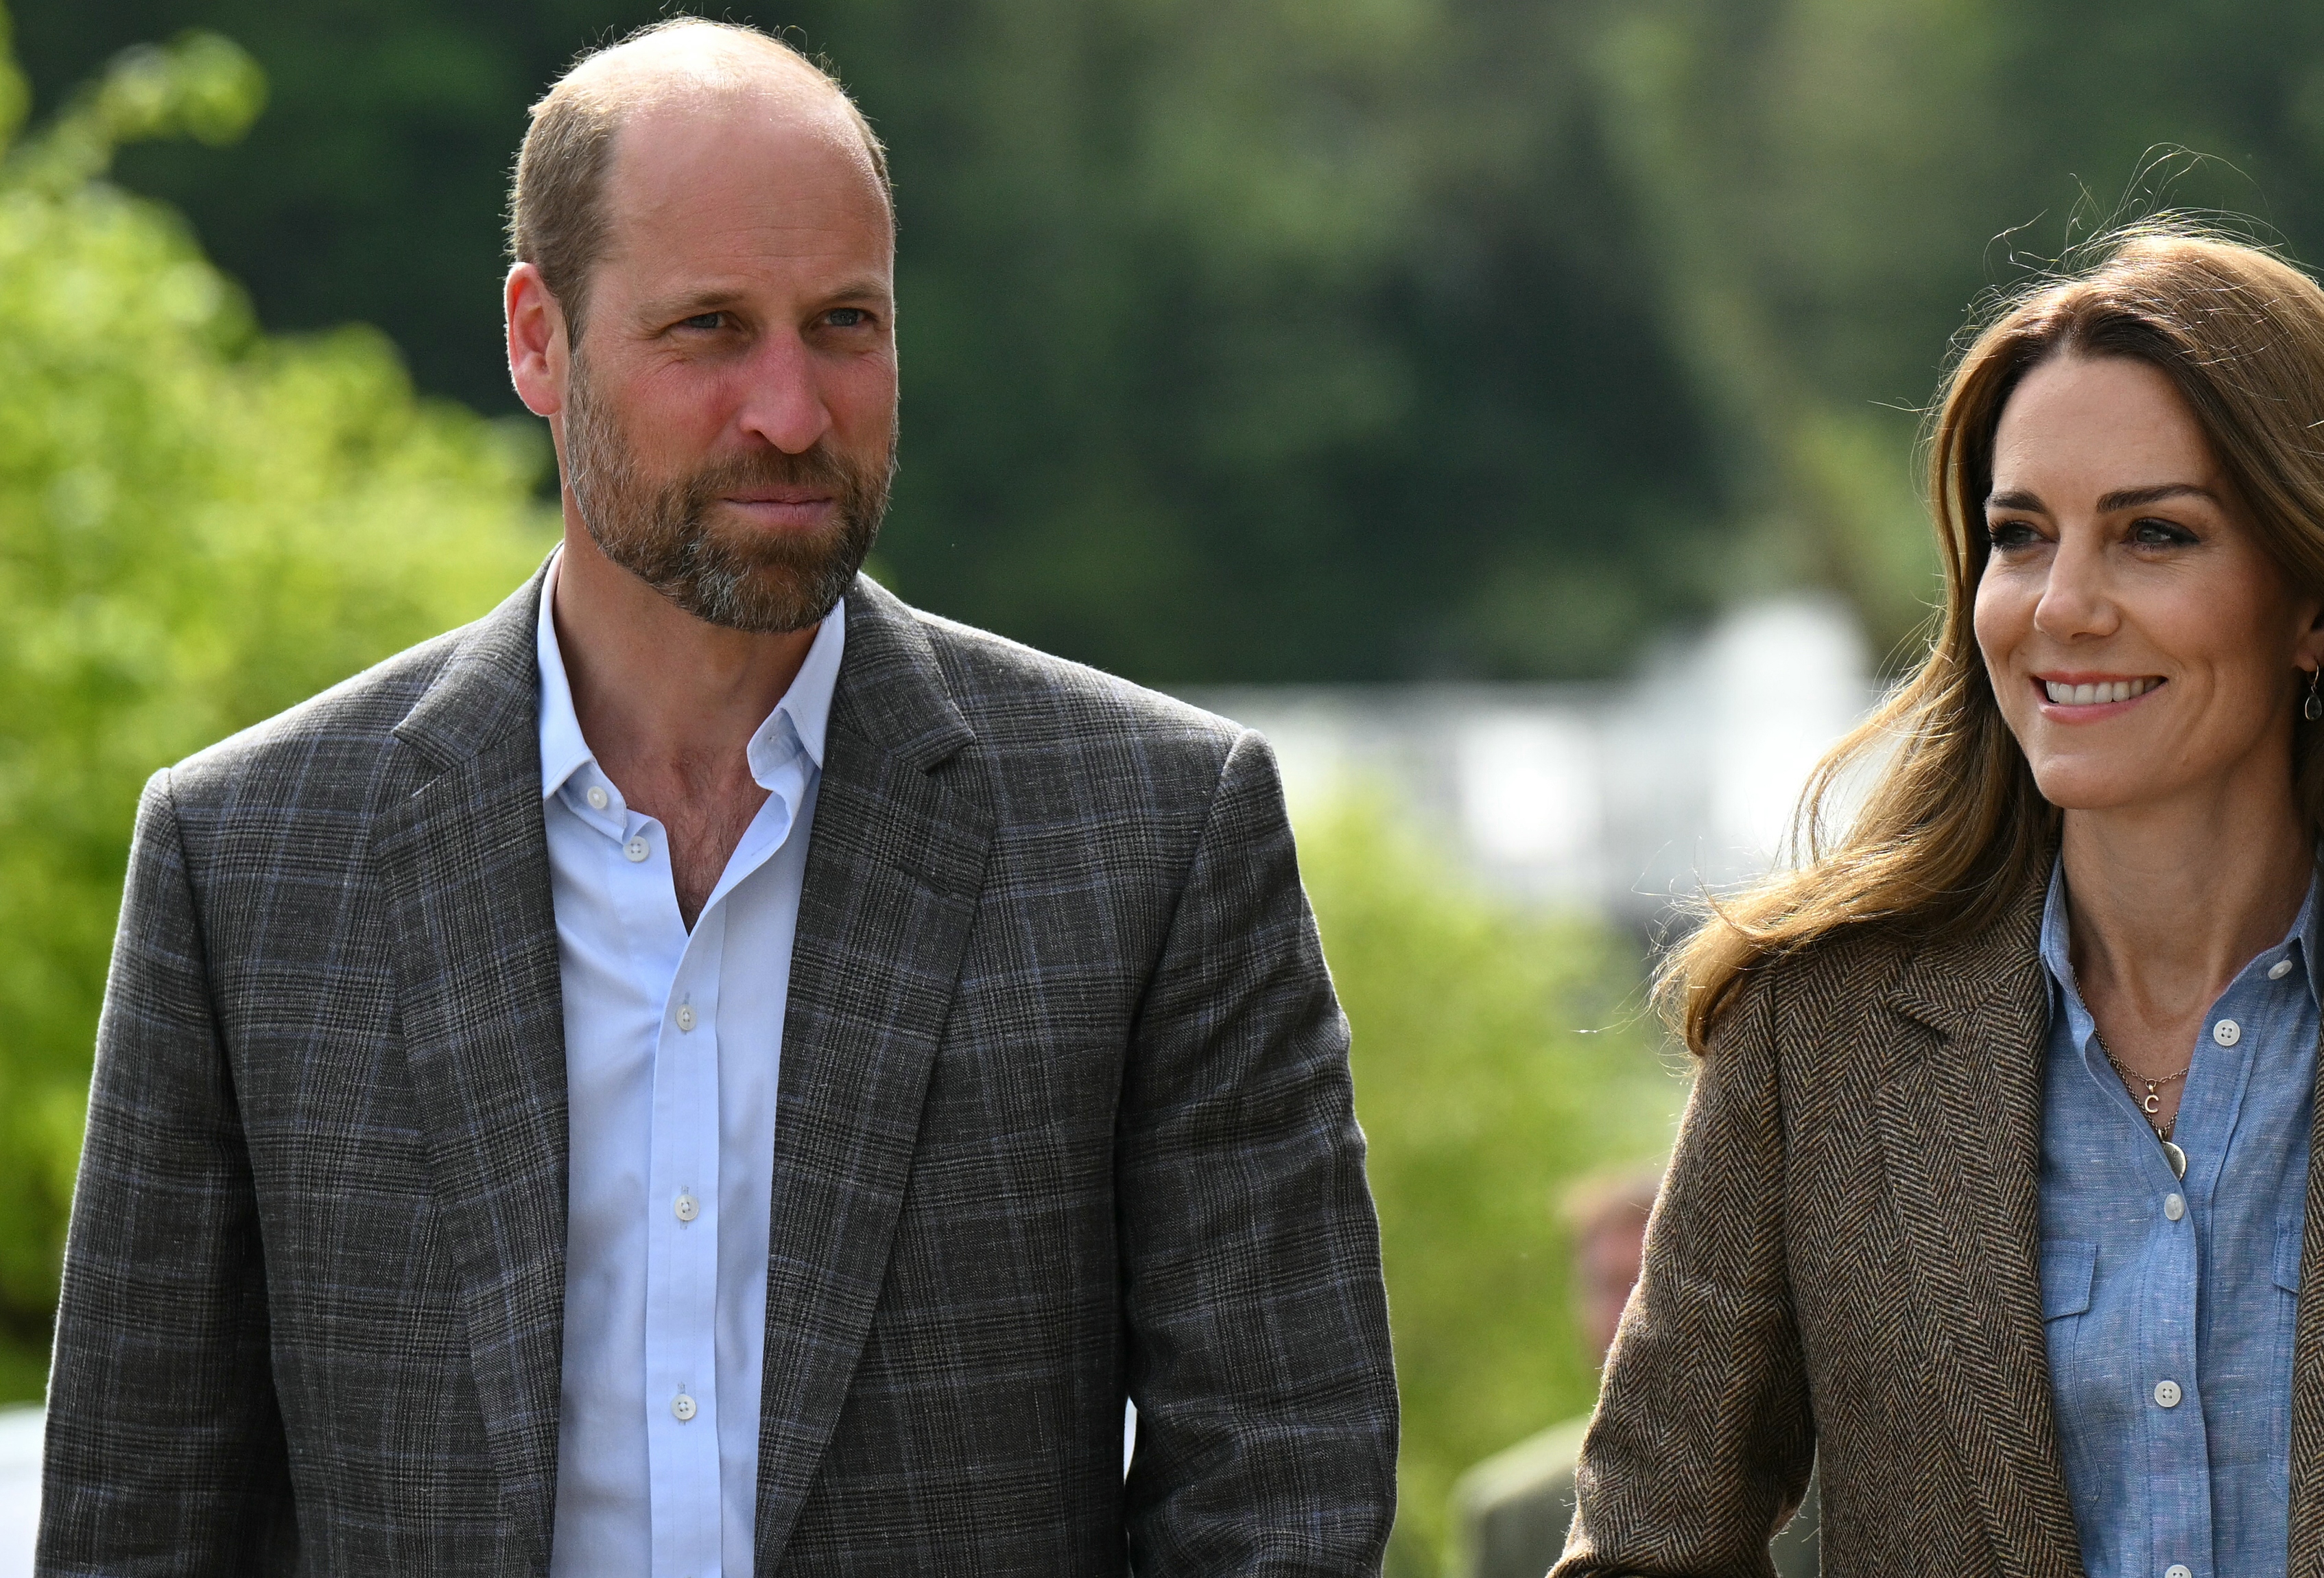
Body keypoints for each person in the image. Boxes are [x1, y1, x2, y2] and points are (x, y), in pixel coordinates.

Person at [38, 20, 1396, 1576]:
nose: (794, 412)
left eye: (843, 323)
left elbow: (1283, 1480)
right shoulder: (251, 860)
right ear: (537, 340)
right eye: (708, 330)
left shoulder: (1159, 834)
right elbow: (134, 1519)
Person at [1559, 226, 2324, 1575]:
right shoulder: (1808, 1029)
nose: (2061, 605)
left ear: (2314, 604)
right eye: (2020, 536)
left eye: (2153, 535)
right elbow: (1649, 1546)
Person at [1458, 1170, 1818, 1578]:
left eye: (1646, 1284)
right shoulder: (1512, 1515)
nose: (1628, 1315)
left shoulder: (1828, 1488)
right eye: (1607, 1286)